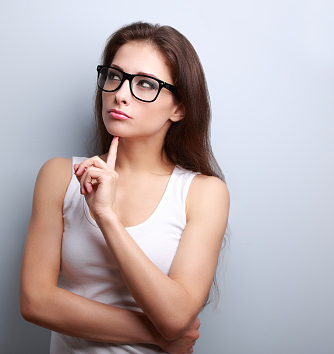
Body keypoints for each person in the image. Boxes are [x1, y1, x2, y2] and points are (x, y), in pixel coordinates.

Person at [20, 22, 229, 353]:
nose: (120, 93)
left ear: (179, 108)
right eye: (114, 76)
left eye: (145, 84)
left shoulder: (203, 193)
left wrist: (106, 217)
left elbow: (175, 316)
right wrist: (155, 335)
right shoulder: (60, 176)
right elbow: (36, 301)